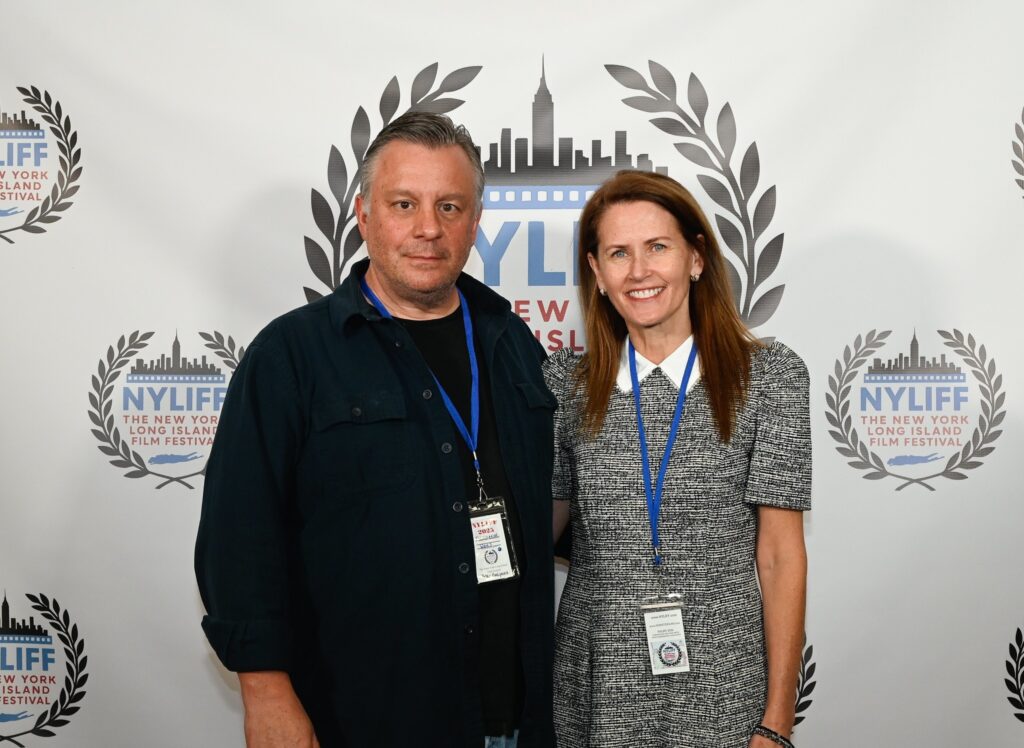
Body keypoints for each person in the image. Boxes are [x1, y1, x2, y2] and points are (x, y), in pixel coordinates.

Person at [195, 112, 557, 748]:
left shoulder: (514, 344)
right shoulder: (291, 356)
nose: (428, 227)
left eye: (449, 206)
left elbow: (555, 501)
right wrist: (265, 692)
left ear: (475, 222)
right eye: (403, 204)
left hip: (515, 718)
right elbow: (239, 536)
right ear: (364, 216)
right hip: (363, 719)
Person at [544, 171, 810, 748]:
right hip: (597, 686)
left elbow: (781, 556)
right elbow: (542, 531)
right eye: (618, 253)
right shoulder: (565, 385)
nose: (639, 271)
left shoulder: (768, 378)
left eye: (657, 247)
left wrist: (777, 721)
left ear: (696, 257)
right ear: (596, 272)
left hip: (723, 686)